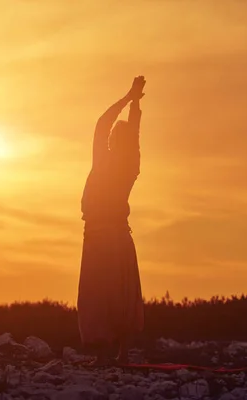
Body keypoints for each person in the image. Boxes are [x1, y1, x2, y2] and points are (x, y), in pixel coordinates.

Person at [77, 76, 146, 366]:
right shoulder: (130, 166)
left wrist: (130, 100)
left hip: (104, 236)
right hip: (114, 235)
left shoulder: (108, 162)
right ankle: (120, 352)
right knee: (121, 293)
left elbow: (105, 122)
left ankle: (111, 352)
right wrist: (134, 103)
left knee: (100, 294)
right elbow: (125, 130)